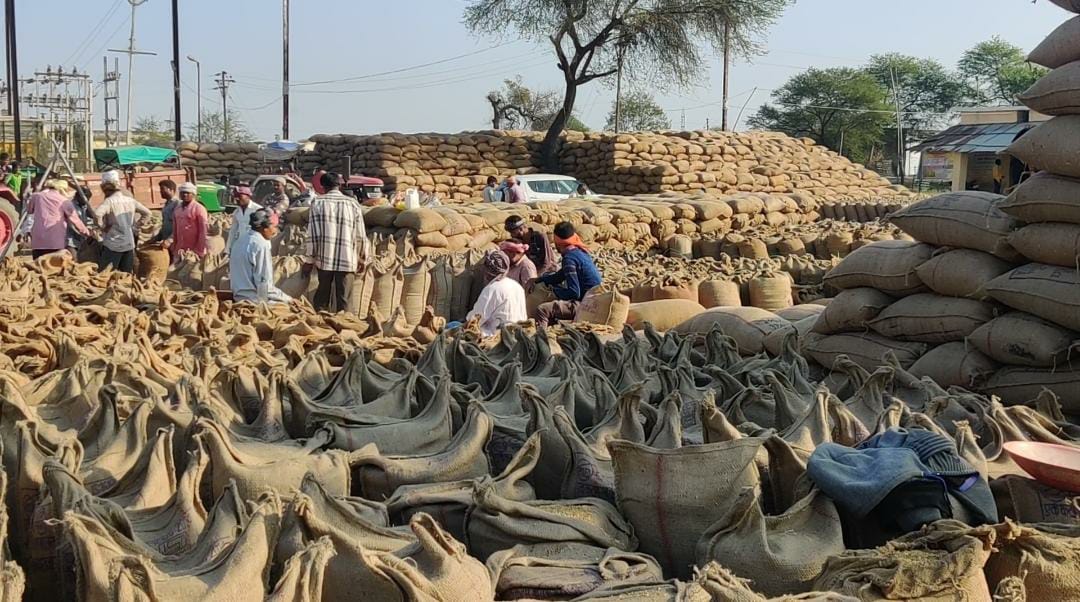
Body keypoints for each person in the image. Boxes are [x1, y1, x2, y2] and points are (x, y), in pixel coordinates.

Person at [303, 171, 368, 312]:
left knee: (321, 299)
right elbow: (361, 236)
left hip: (324, 260)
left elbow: (313, 235)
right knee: (344, 301)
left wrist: (309, 260)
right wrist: (362, 258)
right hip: (347, 259)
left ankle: (320, 327)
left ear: (322, 187)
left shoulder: (317, 203)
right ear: (339, 185)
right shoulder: (353, 204)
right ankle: (345, 329)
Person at [531, 221, 602, 327]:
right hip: (595, 300)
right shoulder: (580, 252)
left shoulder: (569, 259)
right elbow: (560, 276)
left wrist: (553, 292)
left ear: (558, 242)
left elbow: (574, 292)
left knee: (542, 310)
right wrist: (540, 280)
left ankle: (541, 338)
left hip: (586, 304)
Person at [230, 209, 292, 305]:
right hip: (254, 299)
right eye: (274, 226)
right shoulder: (260, 245)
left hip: (238, 296)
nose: (275, 231)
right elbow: (264, 286)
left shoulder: (241, 240)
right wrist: (288, 299)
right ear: (264, 228)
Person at [20, 179, 92, 258]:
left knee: (38, 266)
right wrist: (86, 232)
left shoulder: (36, 196)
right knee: (55, 266)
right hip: (56, 241)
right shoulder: (64, 201)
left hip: (38, 240)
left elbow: (29, 210)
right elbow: (75, 220)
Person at [95, 170, 151, 272]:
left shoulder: (109, 201)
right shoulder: (130, 200)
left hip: (113, 244)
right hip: (129, 243)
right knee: (126, 274)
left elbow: (97, 214)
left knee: (106, 274)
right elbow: (147, 213)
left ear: (105, 188)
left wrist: (103, 227)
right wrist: (135, 226)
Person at [466, 249, 527, 338]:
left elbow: (475, 320)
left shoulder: (492, 289)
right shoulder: (517, 286)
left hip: (497, 336)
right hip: (518, 334)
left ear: (487, 271)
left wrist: (463, 323)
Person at [170, 181, 209, 258]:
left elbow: (203, 231)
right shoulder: (177, 209)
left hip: (193, 251)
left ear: (193, 194)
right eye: (183, 193)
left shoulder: (199, 208)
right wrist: (174, 246)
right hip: (179, 249)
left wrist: (199, 250)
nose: (185, 195)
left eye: (188, 193)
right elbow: (175, 230)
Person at [227, 185, 263, 255]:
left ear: (248, 196)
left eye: (240, 196)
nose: (237, 199)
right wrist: (228, 249)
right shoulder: (237, 212)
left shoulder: (258, 210)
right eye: (235, 196)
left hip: (254, 247)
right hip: (240, 246)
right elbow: (233, 231)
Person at [152, 180, 179, 246]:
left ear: (171, 190)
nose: (160, 191)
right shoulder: (166, 205)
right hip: (166, 242)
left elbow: (180, 226)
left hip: (175, 242)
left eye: (163, 189)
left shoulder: (177, 204)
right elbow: (165, 224)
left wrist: (170, 240)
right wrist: (157, 237)